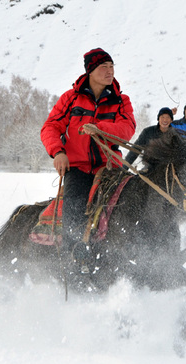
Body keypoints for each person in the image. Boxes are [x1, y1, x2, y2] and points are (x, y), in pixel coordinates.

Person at [41, 48, 136, 274]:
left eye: (112, 67)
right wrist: (58, 152)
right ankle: (73, 259)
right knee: (73, 209)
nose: (109, 71)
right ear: (90, 71)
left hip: (111, 168)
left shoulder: (121, 100)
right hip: (79, 169)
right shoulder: (70, 98)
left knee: (133, 202)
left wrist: (100, 128)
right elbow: (50, 127)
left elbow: (127, 128)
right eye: (104, 67)